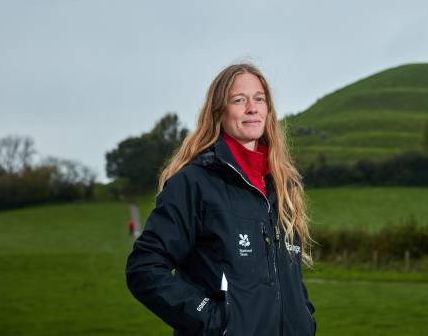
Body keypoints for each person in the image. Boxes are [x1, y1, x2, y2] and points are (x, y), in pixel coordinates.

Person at [126, 64, 316, 336]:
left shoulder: (282, 186)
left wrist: (304, 317)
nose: (252, 108)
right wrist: (215, 320)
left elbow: (289, 279)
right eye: (239, 100)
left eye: (259, 98)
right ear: (220, 111)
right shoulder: (194, 183)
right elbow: (144, 268)